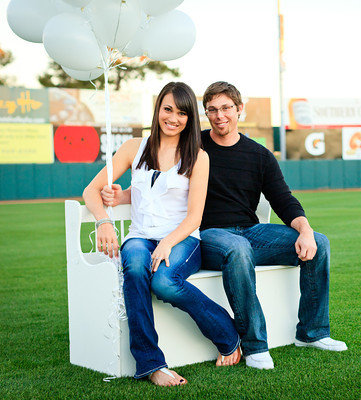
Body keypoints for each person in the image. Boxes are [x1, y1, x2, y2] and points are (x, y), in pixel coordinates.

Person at [102, 81, 346, 370]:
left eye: (226, 108)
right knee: (237, 248)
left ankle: (312, 332)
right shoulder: (192, 145)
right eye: (212, 110)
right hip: (209, 235)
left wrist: (305, 230)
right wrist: (124, 196)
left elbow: (283, 199)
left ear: (239, 109)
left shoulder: (260, 155)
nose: (220, 116)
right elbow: (162, 184)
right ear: (205, 114)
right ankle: (254, 345)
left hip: (252, 231)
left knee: (320, 243)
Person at [83, 82, 241, 387]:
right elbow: (92, 190)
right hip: (140, 236)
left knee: (165, 281)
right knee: (134, 265)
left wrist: (167, 243)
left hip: (182, 240)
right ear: (158, 110)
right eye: (168, 109)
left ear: (190, 118)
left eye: (182, 112)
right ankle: (152, 364)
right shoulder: (133, 148)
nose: (173, 118)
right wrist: (104, 220)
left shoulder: (198, 156)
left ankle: (228, 334)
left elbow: (194, 216)